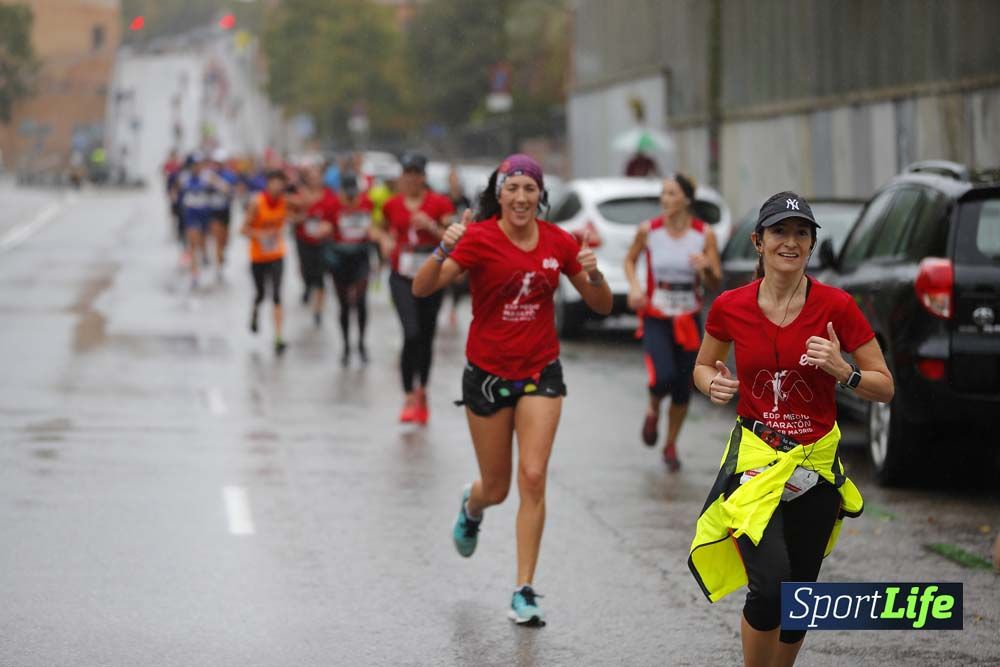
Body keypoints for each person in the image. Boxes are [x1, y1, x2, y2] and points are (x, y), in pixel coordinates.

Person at [688, 191, 894, 666]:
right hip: (756, 462)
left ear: (812, 245)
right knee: (770, 586)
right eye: (780, 232)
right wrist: (711, 385)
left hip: (815, 465)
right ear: (759, 242)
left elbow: (884, 388)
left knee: (798, 600)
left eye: (802, 233)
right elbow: (703, 365)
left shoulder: (837, 306)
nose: (791, 241)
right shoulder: (730, 306)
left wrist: (845, 372)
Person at [412, 154, 613, 626]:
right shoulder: (478, 239)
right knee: (498, 487)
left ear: (539, 196)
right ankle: (472, 504)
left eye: (530, 189)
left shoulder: (559, 242)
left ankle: (524, 589)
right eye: (513, 188)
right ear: (498, 194)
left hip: (540, 371)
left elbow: (600, 305)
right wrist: (443, 249)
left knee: (534, 475)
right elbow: (423, 289)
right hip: (486, 374)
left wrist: (594, 271)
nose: (522, 198)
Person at [624, 173, 721, 470]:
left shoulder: (704, 234)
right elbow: (630, 260)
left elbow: (715, 280)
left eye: (672, 194)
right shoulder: (648, 230)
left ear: (687, 199)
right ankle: (653, 408)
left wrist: (705, 268)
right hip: (656, 315)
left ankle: (670, 445)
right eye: (663, 194)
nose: (665, 199)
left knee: (682, 386)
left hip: (688, 317)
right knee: (662, 376)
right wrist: (636, 287)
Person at [379, 153, 455, 424]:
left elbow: (453, 236)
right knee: (410, 333)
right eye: (407, 173)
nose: (411, 178)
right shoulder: (392, 205)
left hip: (432, 277)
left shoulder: (439, 202)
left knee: (426, 336)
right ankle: (408, 395)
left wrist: (431, 226)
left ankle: (423, 390)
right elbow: (380, 229)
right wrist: (385, 241)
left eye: (416, 173)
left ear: (424, 177)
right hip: (401, 277)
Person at [241, 170, 291, 355]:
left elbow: (300, 209)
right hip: (258, 256)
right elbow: (243, 229)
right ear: (268, 184)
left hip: (277, 254)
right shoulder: (257, 203)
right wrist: (259, 234)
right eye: (274, 183)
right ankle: (255, 310)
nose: (277, 187)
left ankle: (278, 337)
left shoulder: (285, 202)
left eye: (280, 183)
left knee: (277, 295)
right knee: (261, 294)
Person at [329, 172, 374, 366]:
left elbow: (375, 227)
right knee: (344, 305)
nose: (350, 198)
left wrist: (374, 235)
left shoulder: (366, 204)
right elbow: (325, 228)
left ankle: (361, 344)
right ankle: (346, 346)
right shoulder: (333, 206)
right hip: (340, 259)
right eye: (347, 194)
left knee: (361, 302)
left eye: (353, 194)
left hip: (360, 257)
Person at [291, 165, 339, 327]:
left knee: (320, 277)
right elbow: (289, 216)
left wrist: (328, 227)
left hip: (322, 242)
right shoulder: (299, 196)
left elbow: (336, 219)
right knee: (306, 270)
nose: (314, 180)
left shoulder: (330, 197)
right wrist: (302, 216)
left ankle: (318, 310)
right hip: (303, 239)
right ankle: (307, 286)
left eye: (317, 177)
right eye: (311, 177)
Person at [445, 167, 472, 330]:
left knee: (460, 281)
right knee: (446, 278)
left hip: (461, 243)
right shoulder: (444, 198)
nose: (454, 182)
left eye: (456, 179)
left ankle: (453, 310)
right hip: (446, 242)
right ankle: (446, 308)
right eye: (452, 179)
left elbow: (471, 221)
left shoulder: (465, 200)